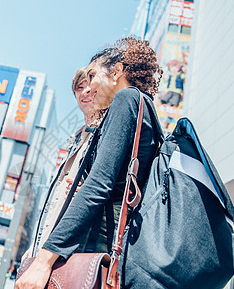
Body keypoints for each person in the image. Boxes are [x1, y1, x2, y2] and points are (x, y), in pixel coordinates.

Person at [15, 37, 163, 288]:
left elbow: (99, 186)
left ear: (116, 71)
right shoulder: (144, 108)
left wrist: (44, 259)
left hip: (99, 249)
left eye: (93, 75)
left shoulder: (127, 99)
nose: (89, 87)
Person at [22, 67, 96, 261]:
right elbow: (54, 201)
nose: (85, 92)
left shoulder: (104, 134)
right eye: (79, 87)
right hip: (48, 247)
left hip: (72, 250)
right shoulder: (77, 137)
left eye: (90, 85)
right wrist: (36, 246)